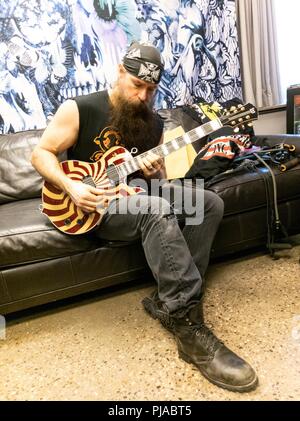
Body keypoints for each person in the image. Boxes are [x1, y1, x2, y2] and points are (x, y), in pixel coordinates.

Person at [31, 41, 258, 392]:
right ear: (120, 73)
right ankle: (187, 324)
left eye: (150, 90)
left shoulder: (152, 123)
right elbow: (41, 154)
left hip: (135, 196)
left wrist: (153, 174)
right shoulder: (80, 108)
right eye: (137, 86)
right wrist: (71, 186)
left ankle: (171, 301)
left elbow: (157, 180)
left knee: (208, 202)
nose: (142, 96)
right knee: (156, 208)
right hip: (93, 207)